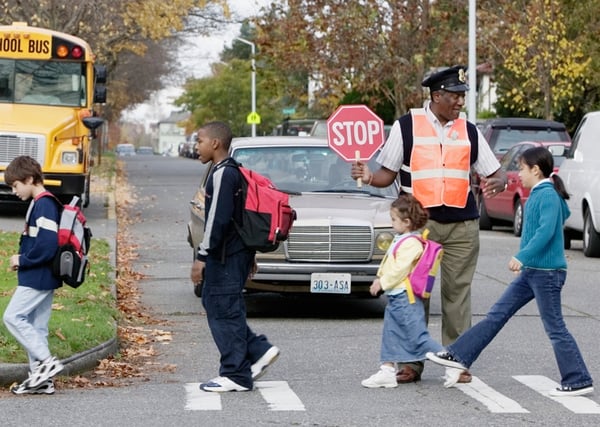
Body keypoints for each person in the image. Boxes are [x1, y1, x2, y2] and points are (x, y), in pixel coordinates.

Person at [351, 65, 507, 384]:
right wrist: (368, 177)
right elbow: (387, 173)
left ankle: (457, 361)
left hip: (462, 225)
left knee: (457, 295)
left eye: (462, 96)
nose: (460, 102)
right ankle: (411, 362)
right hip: (420, 228)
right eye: (455, 96)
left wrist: (500, 183)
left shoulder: (469, 130)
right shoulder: (406, 126)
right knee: (413, 295)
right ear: (436, 96)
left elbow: (494, 172)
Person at [427, 147, 594, 396]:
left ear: (536, 170)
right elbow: (561, 216)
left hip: (546, 273)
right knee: (497, 314)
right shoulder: (542, 193)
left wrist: (522, 257)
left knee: (555, 327)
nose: (519, 173)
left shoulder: (546, 194)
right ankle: (459, 354)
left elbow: (546, 231)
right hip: (534, 271)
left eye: (522, 168)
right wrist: (527, 263)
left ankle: (578, 378)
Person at [190, 121, 279, 392]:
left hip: (224, 256)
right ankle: (256, 350)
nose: (197, 147)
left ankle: (236, 373)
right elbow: (240, 219)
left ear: (215, 143)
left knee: (222, 309)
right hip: (235, 254)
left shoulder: (222, 174)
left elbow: (218, 219)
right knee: (223, 306)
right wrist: (248, 256)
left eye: (200, 141)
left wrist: (201, 257)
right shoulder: (232, 171)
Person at [361, 194, 444, 388]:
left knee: (418, 337)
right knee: (390, 333)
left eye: (394, 219)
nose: (391, 223)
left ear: (406, 222)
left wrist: (382, 282)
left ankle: (453, 360)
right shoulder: (403, 239)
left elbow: (400, 269)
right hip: (397, 297)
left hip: (406, 299)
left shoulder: (411, 243)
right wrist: (381, 278)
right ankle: (387, 369)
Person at [3, 156, 65, 395]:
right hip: (41, 274)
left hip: (38, 275)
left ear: (29, 179)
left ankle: (47, 362)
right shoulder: (41, 203)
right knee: (37, 328)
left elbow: (47, 245)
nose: (14, 190)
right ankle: (42, 380)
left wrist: (23, 260)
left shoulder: (44, 204)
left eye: (16, 185)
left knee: (13, 317)